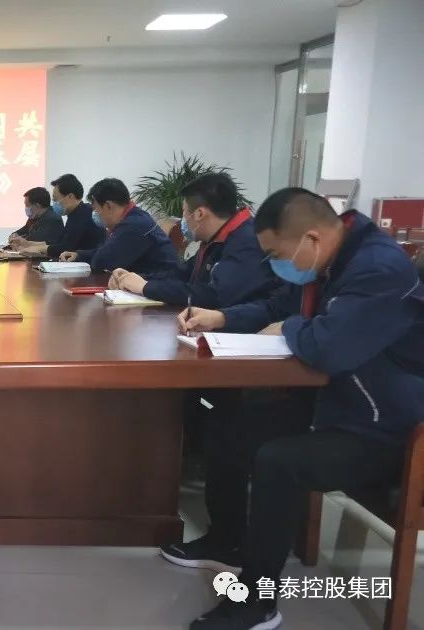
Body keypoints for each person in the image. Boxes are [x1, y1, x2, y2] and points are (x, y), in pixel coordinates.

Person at [166, 187, 424, 630]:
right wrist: (223, 317)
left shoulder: (378, 270)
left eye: (275, 254)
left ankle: (257, 603)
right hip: (336, 404)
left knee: (279, 463)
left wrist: (290, 326)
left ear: (311, 239)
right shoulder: (329, 259)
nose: (274, 264)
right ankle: (228, 541)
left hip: (387, 428)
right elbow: (280, 306)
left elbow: (329, 348)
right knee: (228, 423)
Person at [110, 173, 275, 308]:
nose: (182, 219)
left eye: (184, 212)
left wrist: (146, 287)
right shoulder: (214, 237)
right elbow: (181, 273)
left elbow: (214, 296)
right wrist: (134, 278)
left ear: (199, 214)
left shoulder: (247, 240)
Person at [59, 178, 178, 275]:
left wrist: (87, 256)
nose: (95, 214)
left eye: (96, 210)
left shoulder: (134, 225)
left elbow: (103, 261)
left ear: (108, 206)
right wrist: (79, 255)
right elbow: (106, 250)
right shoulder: (133, 217)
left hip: (160, 285)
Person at [15, 174, 104, 259]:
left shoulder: (83, 214)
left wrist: (38, 249)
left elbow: (65, 247)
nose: (54, 204)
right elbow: (59, 242)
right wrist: (28, 244)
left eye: (56, 199)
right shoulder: (75, 213)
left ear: (70, 196)